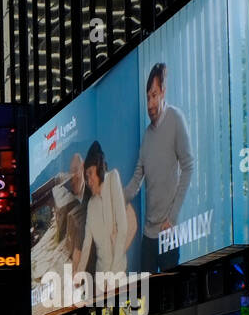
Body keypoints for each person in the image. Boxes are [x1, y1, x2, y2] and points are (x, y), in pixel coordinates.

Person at [124, 63, 195, 273]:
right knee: (145, 301)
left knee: (170, 301)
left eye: (154, 95)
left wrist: (172, 219)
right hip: (148, 234)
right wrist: (117, 199)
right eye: (148, 97)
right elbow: (137, 180)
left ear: (163, 92)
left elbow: (189, 166)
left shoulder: (176, 118)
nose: (150, 103)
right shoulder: (147, 136)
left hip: (168, 233)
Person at [75, 140, 135, 279]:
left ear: (99, 167)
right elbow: (87, 242)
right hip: (101, 277)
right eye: (86, 176)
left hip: (117, 274)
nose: (88, 181)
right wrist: (79, 272)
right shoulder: (91, 204)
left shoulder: (112, 178)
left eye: (90, 173)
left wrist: (113, 273)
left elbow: (123, 228)